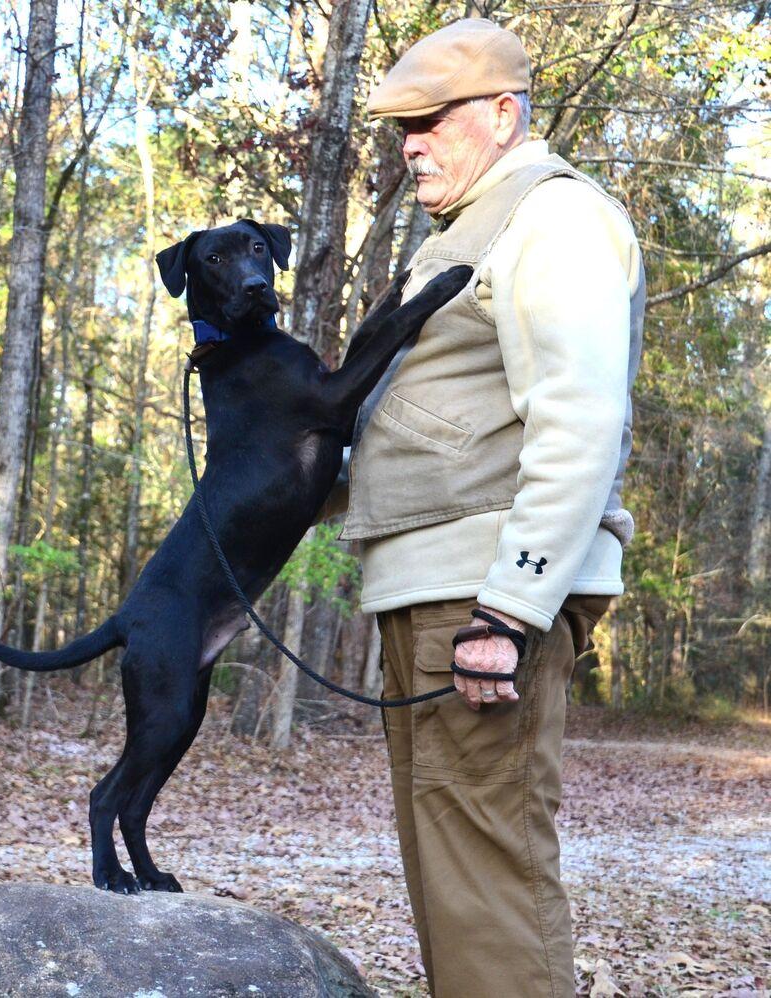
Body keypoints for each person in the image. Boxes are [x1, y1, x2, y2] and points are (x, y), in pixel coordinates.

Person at [339, 17, 645, 998]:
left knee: (485, 885)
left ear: (505, 115)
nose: (410, 144)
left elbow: (578, 422)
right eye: (401, 126)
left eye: (431, 119)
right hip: (434, 595)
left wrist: (506, 612)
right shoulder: (469, 228)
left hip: (478, 600)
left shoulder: (549, 216)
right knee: (453, 882)